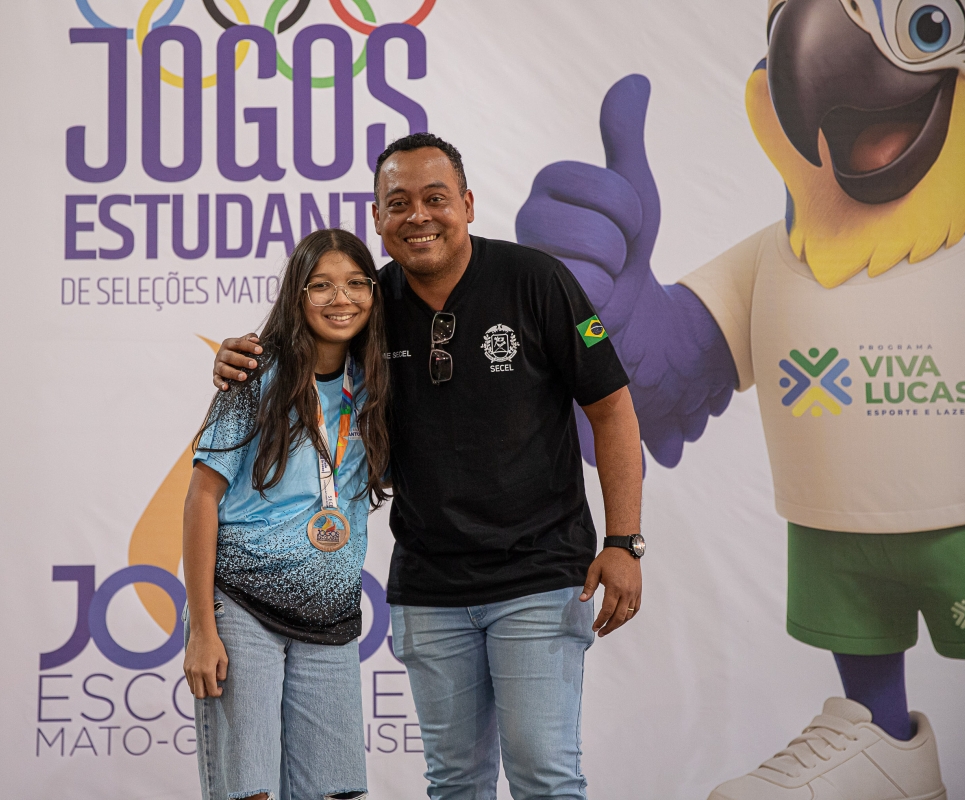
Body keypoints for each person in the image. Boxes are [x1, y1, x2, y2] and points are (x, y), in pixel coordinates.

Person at [213, 133, 644, 800]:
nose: (418, 215)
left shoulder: (537, 281)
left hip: (538, 574)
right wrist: (241, 356)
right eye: (398, 203)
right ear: (378, 217)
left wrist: (623, 541)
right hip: (429, 589)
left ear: (467, 205)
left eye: (435, 198)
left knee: (544, 772)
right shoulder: (370, 304)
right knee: (455, 782)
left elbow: (611, 408)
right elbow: (300, 353)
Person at [182, 228, 390, 800]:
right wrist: (202, 629)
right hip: (241, 607)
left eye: (355, 283)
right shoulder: (253, 375)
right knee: (249, 791)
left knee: (334, 792)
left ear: (374, 295)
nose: (340, 298)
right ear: (297, 294)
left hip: (330, 619)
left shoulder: (377, 385)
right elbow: (201, 499)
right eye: (321, 285)